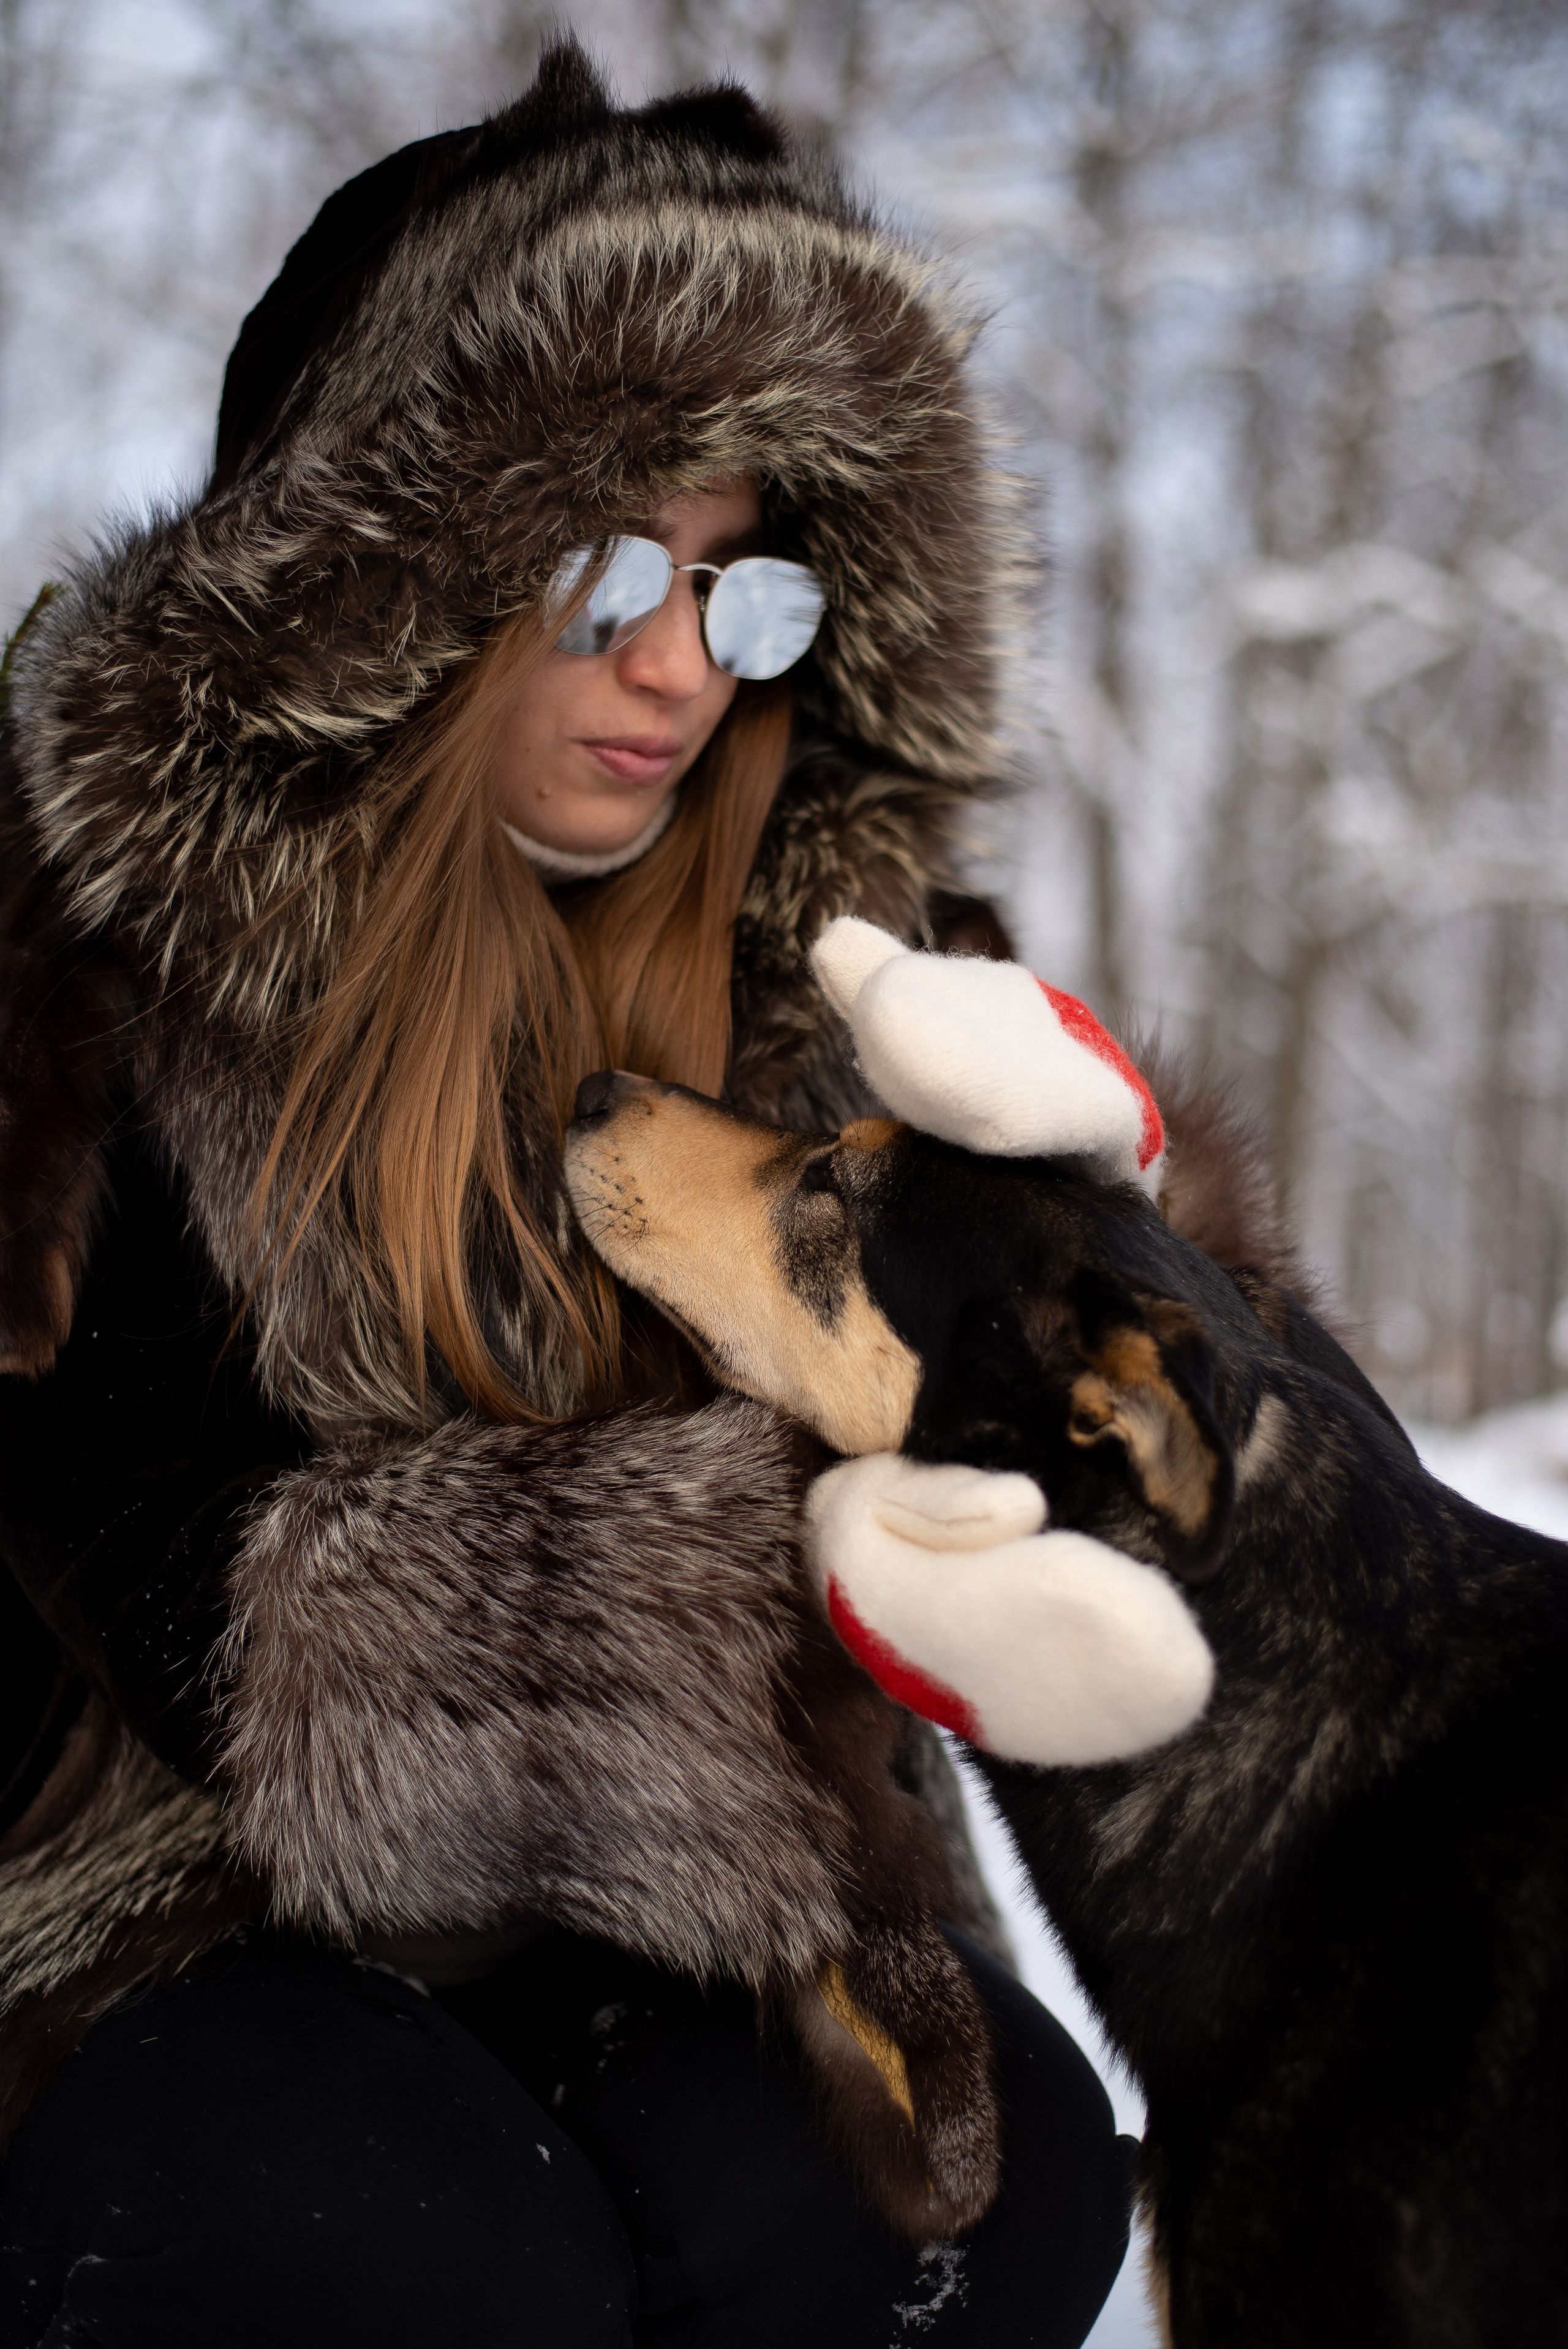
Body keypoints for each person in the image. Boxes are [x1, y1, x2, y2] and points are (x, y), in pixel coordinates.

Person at [0, 40, 1295, 2349]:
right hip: (160, 1897)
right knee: (393, 2243)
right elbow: (185, 1585)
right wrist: (799, 1564)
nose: (684, 671)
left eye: (750, 594)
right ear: (392, 585)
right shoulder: (87, 969)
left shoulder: (859, 981)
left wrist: (1128, 1251)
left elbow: (1193, 1513)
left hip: (701, 1915)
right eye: (609, 574)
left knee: (960, 2200)